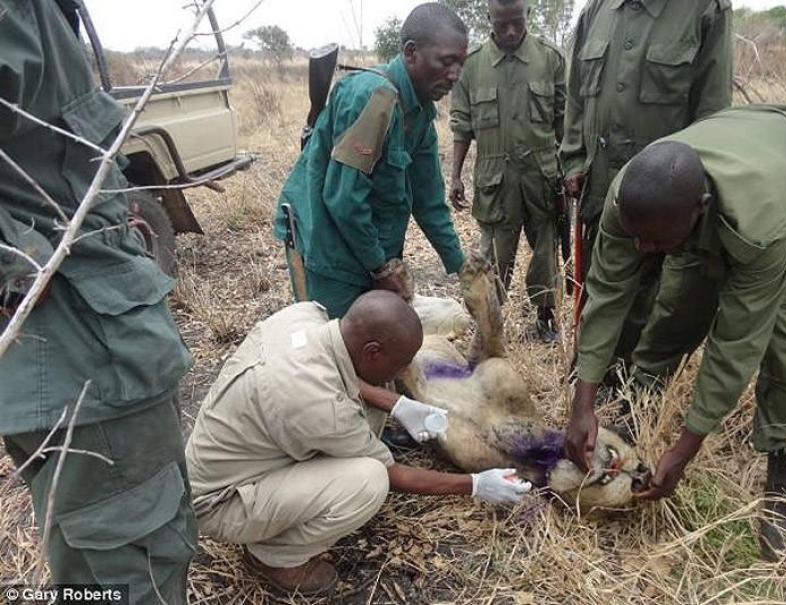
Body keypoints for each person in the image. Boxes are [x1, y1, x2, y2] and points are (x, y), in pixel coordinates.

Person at [564, 104, 786, 561]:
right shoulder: (631, 195)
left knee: (785, 332)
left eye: (656, 242)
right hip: (738, 153)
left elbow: (737, 342)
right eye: (636, 237)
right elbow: (606, 296)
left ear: (699, 211)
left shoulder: (760, 228)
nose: (643, 250)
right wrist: (582, 404)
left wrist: (685, 449)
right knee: (681, 299)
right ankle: (639, 402)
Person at [0, 1, 196, 602]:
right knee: (131, 573)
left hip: (95, 345)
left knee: (100, 567)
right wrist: (21, 259)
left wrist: (114, 215)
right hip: (85, 356)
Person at [186, 291, 532, 596]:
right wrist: (475, 485)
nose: (403, 371)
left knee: (366, 413)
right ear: (372, 351)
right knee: (368, 481)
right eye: (398, 363)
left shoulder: (303, 317)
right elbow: (392, 474)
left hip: (243, 456)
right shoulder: (320, 407)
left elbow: (335, 371)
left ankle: (278, 523)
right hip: (220, 501)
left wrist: (398, 405)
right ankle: (275, 558)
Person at [560, 0, 732, 370]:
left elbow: (714, 111)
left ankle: (631, 385)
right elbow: (575, 96)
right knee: (597, 287)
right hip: (601, 185)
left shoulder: (703, 10)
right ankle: (590, 373)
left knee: (648, 299)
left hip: (665, 199)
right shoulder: (597, 10)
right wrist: (573, 158)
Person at [274, 3, 468, 320]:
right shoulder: (372, 99)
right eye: (447, 62)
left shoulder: (420, 113)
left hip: (370, 249)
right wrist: (379, 267)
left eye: (461, 64)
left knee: (379, 345)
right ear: (410, 53)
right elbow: (343, 199)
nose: (455, 75)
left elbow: (429, 200)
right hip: (331, 250)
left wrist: (462, 268)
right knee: (337, 348)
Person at [449, 0, 566, 344]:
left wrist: (574, 170)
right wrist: (455, 175)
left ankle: (545, 316)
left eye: (517, 22)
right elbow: (461, 126)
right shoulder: (471, 67)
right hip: (495, 181)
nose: (511, 31)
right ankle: (489, 325)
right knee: (493, 257)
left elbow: (565, 122)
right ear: (489, 20)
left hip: (542, 177)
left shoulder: (550, 59)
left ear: (527, 15)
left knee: (547, 250)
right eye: (503, 25)